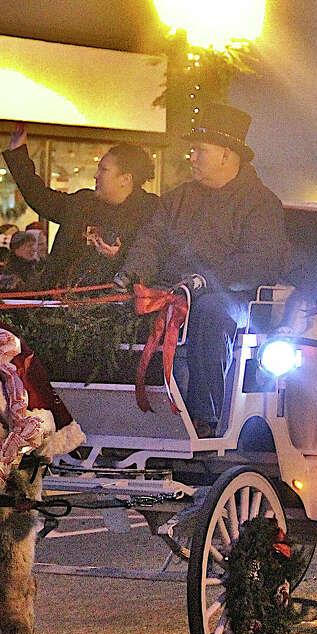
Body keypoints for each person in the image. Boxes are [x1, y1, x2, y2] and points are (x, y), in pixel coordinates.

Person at [119, 103, 288, 438]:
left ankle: (204, 417)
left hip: (235, 299)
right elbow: (151, 239)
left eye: (200, 151)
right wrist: (132, 275)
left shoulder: (261, 203)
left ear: (227, 155)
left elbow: (259, 262)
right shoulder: (178, 199)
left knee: (211, 311)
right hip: (175, 291)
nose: (192, 157)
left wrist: (204, 282)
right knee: (130, 306)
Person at [3, 126, 159, 287]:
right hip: (58, 302)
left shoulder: (151, 211)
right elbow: (41, 198)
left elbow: (157, 256)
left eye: (104, 170)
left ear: (125, 179)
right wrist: (17, 154)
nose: (95, 175)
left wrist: (121, 257)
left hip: (109, 306)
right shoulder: (82, 203)